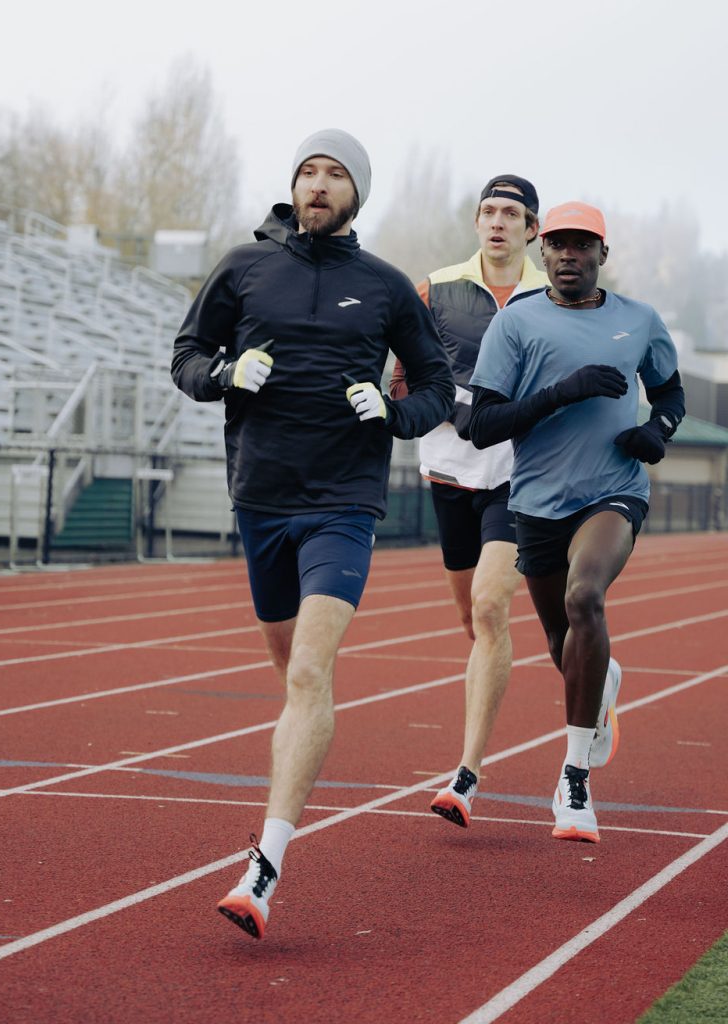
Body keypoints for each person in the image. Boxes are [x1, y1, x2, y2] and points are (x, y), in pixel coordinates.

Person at [171, 129, 454, 938]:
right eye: (308, 172)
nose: (319, 184)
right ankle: (306, 744)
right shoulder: (244, 268)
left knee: (307, 674)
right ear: (293, 188)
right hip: (261, 496)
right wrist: (224, 375)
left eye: (334, 174)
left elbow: (437, 384)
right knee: (298, 674)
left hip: (344, 500)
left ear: (357, 193)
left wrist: (394, 413)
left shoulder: (388, 287)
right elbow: (186, 354)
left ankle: (264, 866)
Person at [468, 201, 685, 843]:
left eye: (582, 245)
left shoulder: (639, 320)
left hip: (613, 492)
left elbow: (671, 394)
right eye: (558, 244)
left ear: (602, 255)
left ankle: (573, 780)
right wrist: (565, 391)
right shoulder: (516, 324)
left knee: (585, 597)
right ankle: (603, 679)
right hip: (536, 502)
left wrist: (656, 431)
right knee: (564, 646)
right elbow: (482, 427)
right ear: (543, 251)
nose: (569, 255)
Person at [389, 175, 547, 829]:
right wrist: (458, 407)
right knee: (473, 620)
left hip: (525, 474)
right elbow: (406, 381)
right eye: (488, 211)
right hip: (451, 472)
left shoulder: (555, 296)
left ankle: (466, 774)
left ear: (533, 228)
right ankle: (587, 659)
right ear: (476, 222)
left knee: (490, 603)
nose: (498, 221)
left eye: (511, 213)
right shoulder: (436, 289)